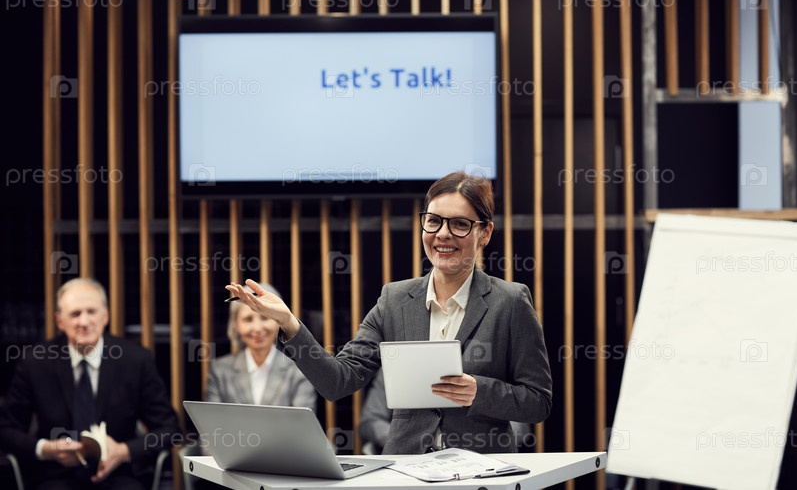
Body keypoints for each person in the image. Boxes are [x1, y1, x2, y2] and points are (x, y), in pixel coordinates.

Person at [226, 171, 552, 454]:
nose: (443, 234)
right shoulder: (394, 300)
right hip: (407, 469)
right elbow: (337, 381)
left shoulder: (510, 301)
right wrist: (288, 322)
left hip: (481, 470)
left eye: (460, 224)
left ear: (485, 233)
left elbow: (538, 401)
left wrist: (479, 391)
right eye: (433, 221)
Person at [0, 277, 181, 490]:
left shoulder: (135, 360)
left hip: (119, 475)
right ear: (60, 321)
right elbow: (6, 429)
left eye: (92, 312)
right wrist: (46, 449)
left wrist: (124, 451)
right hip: (55, 475)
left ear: (106, 316)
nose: (84, 322)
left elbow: (169, 429)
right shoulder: (35, 362)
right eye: (75, 314)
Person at [358, 369, 535, 454]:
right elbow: (370, 421)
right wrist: (407, 436)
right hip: (409, 463)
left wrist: (482, 435)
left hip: (479, 461)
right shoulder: (395, 368)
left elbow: (521, 428)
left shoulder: (494, 364)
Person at [205, 282, 316, 410]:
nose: (257, 328)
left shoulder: (299, 370)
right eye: (248, 319)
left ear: (278, 321)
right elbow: (213, 418)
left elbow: (303, 420)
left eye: (264, 318)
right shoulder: (219, 371)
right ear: (235, 325)